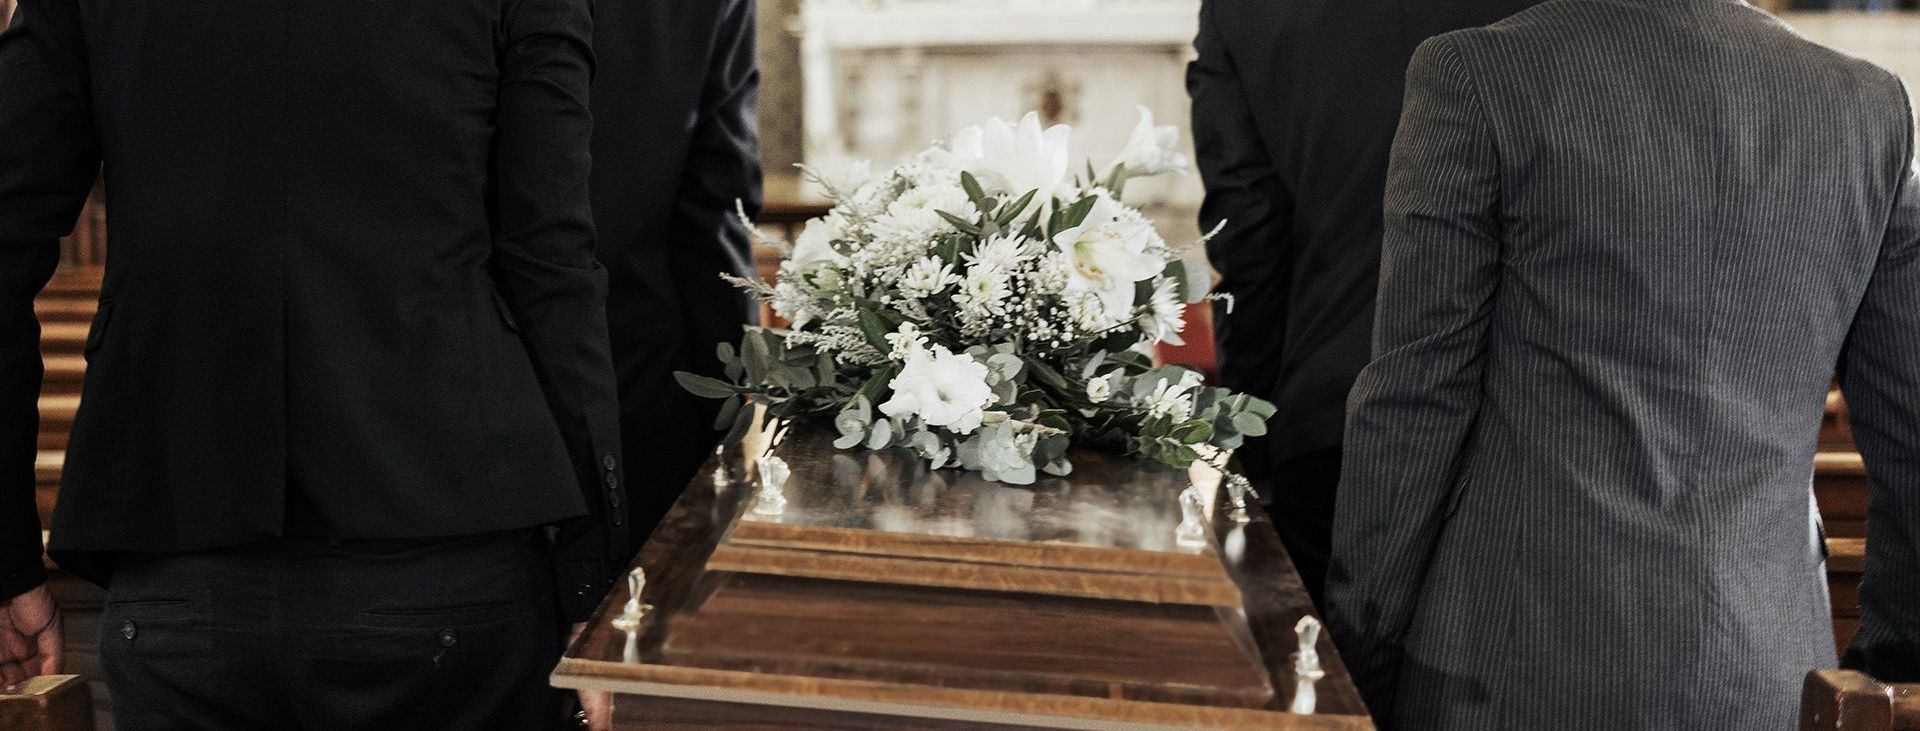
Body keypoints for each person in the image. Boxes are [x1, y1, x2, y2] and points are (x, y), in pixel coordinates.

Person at [0, 0, 625, 727]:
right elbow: (552, 269)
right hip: (446, 533)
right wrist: (593, 584)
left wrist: (10, 561)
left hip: (185, 553)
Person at [1329, 0, 1920, 727]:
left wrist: (1357, 651)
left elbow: (1414, 402)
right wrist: (1885, 672)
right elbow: (1911, 432)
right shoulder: (1868, 105)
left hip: (1504, 664)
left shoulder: (1478, 72)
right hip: (1765, 668)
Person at [1186, 0, 1540, 607]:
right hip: (1520, 420)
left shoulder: (1245, 10)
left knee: (1330, 680)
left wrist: (1256, 439)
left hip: (1329, 414)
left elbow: (1251, 238)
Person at [592, 0, 762, 545]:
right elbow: (713, 209)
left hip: (450, 373)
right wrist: (736, 397)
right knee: (639, 609)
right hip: (637, 370)